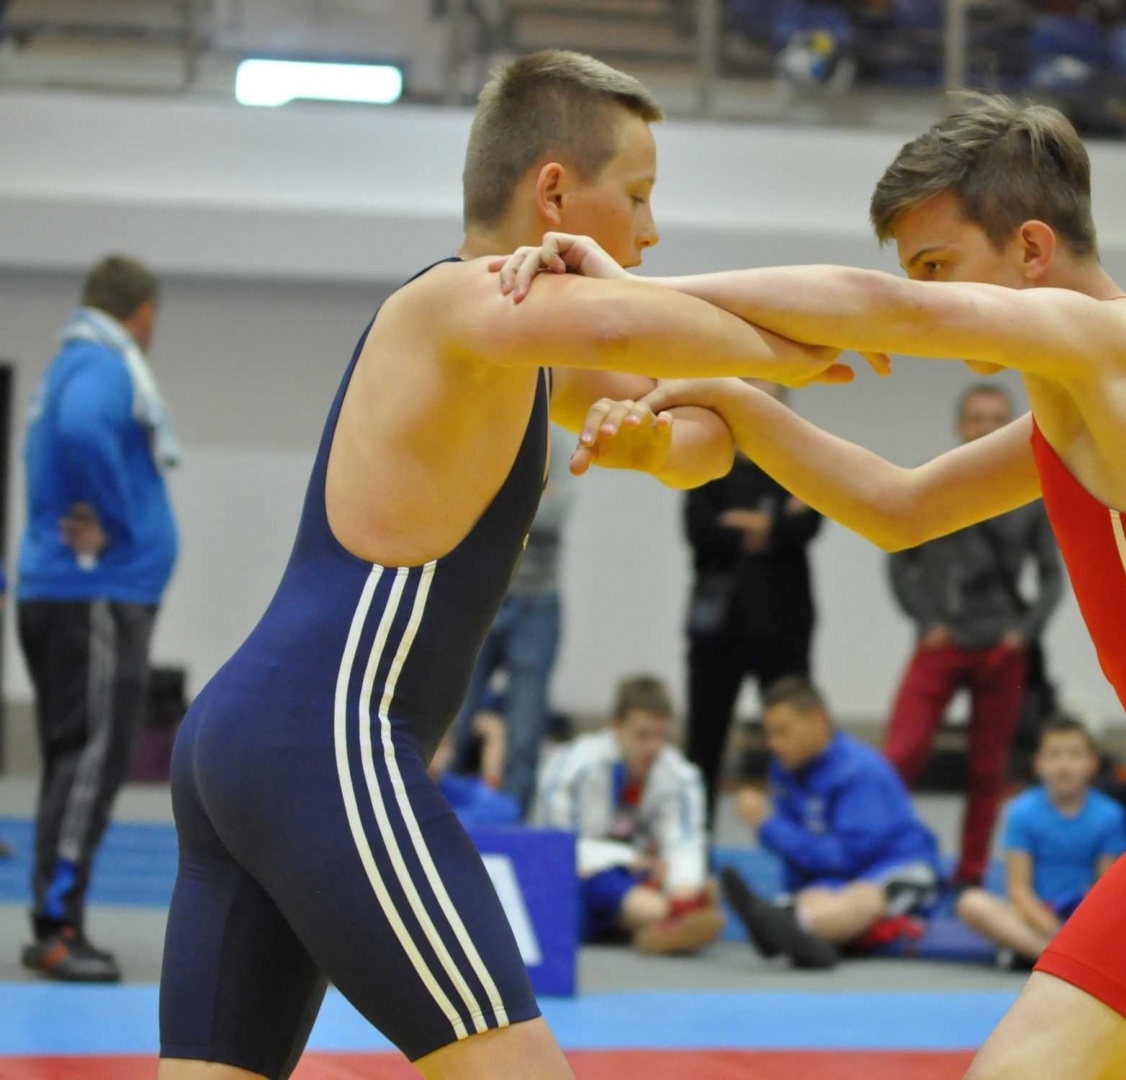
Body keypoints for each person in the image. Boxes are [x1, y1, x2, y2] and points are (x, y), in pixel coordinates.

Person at [518, 90, 1126, 1078]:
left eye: (938, 267)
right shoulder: (1095, 393)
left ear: (1034, 252)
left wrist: (633, 298)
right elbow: (901, 507)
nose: (925, 298)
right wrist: (746, 410)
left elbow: (886, 314)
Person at [157, 51, 859, 1080]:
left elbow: (712, 423)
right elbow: (639, 321)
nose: (652, 233)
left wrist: (656, 441)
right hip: (325, 742)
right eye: (641, 197)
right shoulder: (455, 304)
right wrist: (798, 344)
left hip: (254, 740)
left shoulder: (524, 347)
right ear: (556, 193)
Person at [18, 254, 179, 984]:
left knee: (72, 761)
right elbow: (85, 433)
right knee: (89, 763)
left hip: (71, 594)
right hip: (96, 596)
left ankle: (55, 918)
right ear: (141, 314)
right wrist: (115, 521)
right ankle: (57, 928)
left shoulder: (68, 363)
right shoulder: (104, 368)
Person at [886, 381, 1061, 887]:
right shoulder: (934, 480)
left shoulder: (1033, 489)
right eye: (977, 419)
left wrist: (1024, 633)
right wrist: (925, 622)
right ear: (960, 426)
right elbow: (899, 555)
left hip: (1000, 645)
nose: (985, 428)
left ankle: (970, 872)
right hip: (941, 639)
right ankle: (888, 860)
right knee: (900, 756)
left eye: (996, 419)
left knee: (988, 771)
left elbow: (1052, 572)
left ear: (1012, 427)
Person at [720, 676, 943, 971]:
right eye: (769, 733)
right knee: (815, 897)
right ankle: (805, 931)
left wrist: (767, 826)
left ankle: (790, 924)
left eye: (783, 732)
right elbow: (799, 851)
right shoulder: (785, 770)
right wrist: (803, 891)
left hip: (898, 866)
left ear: (817, 720)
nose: (773, 743)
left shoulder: (860, 771)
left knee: (864, 898)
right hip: (841, 875)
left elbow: (847, 857)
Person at [683, 380, 823, 831]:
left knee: (795, 738)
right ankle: (694, 844)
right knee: (704, 740)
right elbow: (699, 529)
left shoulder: (800, 462)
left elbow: (810, 524)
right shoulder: (708, 461)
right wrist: (774, 522)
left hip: (784, 622)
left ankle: (798, 838)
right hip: (717, 625)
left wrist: (750, 524)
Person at [446, 422, 579, 818]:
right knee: (453, 710)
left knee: (525, 722)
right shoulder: (484, 434)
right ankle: (437, 809)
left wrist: (498, 500)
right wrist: (532, 496)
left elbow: (555, 513)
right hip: (481, 596)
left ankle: (514, 819)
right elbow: (459, 506)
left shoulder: (557, 444)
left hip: (537, 603)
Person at [534, 675, 722, 955]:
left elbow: (685, 842)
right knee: (591, 886)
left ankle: (670, 915)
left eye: (661, 736)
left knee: (693, 871)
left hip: (646, 875)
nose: (653, 747)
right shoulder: (571, 766)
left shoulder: (681, 776)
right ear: (614, 726)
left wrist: (682, 885)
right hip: (581, 875)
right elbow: (556, 848)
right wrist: (627, 859)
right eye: (642, 735)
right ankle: (672, 916)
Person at [956, 717, 1126, 965]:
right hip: (1035, 919)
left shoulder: (1110, 815)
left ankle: (1045, 955)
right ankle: (1063, 959)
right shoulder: (1021, 811)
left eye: (1074, 754)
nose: (1064, 764)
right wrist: (1048, 926)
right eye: (1054, 755)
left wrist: (1082, 928)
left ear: (1092, 763)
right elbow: (1018, 888)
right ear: (1039, 764)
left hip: (1084, 918)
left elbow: (1106, 888)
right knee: (971, 903)